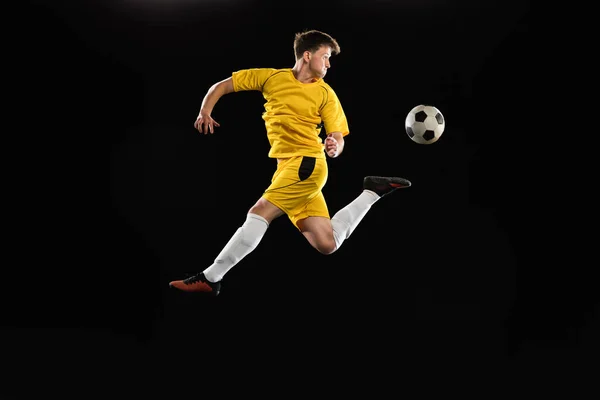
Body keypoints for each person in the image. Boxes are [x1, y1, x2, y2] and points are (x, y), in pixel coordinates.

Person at [169, 29, 411, 296]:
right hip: (288, 168)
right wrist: (205, 111)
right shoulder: (272, 77)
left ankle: (211, 277)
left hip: (308, 165)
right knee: (327, 243)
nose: (329, 64)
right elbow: (222, 86)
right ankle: (372, 192)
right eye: (326, 56)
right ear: (307, 55)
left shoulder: (326, 94)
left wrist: (335, 147)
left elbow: (338, 137)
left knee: (259, 212)